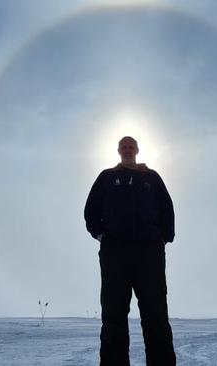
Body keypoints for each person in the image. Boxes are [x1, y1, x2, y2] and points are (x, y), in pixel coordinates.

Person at [84, 136, 176, 365]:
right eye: (123, 146)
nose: (127, 150)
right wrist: (100, 234)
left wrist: (164, 238)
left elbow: (167, 208)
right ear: (118, 151)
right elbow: (91, 210)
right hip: (115, 252)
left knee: (156, 316)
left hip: (149, 253)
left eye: (131, 146)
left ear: (137, 150)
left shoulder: (152, 178)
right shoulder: (106, 177)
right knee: (113, 317)